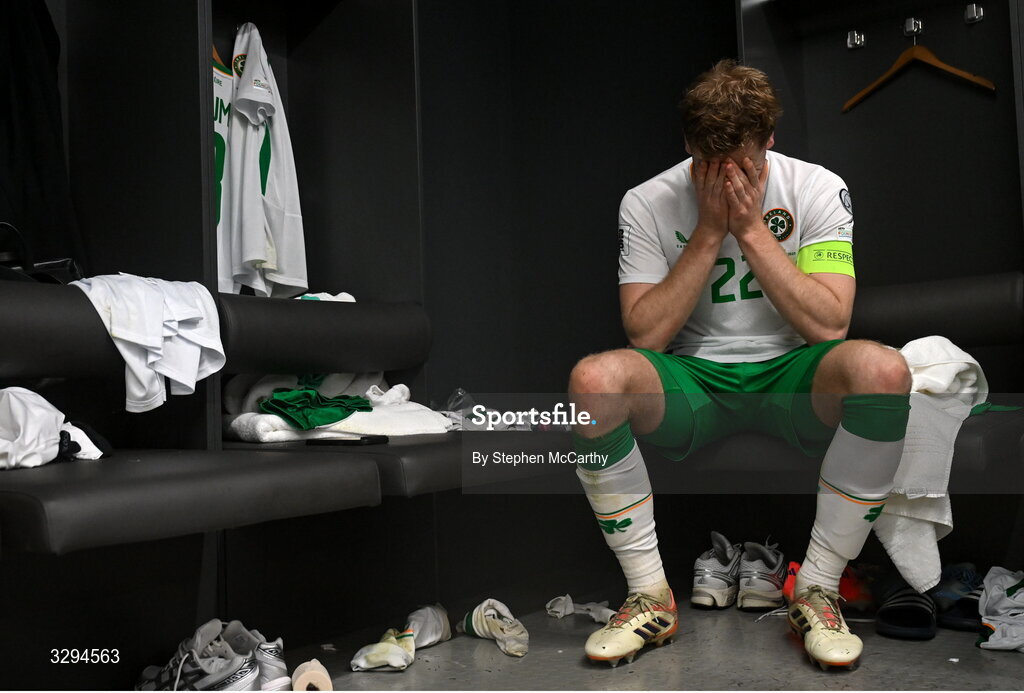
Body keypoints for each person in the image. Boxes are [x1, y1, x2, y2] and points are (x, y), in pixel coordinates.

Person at [569, 59, 911, 670]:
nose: (727, 176)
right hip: (695, 378)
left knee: (883, 371)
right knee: (594, 380)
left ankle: (817, 590)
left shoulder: (816, 187)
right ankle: (649, 595)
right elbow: (644, 335)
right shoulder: (646, 201)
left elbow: (830, 324)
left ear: (770, 141)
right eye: (709, 162)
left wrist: (752, 231)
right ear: (686, 145)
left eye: (744, 163)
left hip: (792, 373)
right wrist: (706, 233)